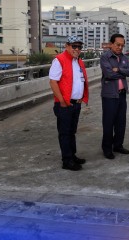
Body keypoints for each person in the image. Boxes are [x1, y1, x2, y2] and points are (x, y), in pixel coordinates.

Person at [49, 35, 89, 171]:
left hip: (75, 103)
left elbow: (79, 80)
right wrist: (62, 101)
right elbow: (53, 82)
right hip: (64, 105)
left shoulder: (78, 61)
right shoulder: (59, 60)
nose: (77, 49)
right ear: (67, 46)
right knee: (65, 133)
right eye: (74, 46)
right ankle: (67, 160)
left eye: (79, 47)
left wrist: (80, 97)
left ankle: (72, 155)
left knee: (72, 131)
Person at [100, 33, 129, 159]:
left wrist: (119, 70)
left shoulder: (124, 58)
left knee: (121, 122)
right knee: (109, 123)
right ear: (111, 44)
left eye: (122, 45)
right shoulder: (105, 57)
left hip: (122, 94)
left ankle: (118, 145)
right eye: (117, 44)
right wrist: (122, 72)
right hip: (109, 95)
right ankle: (107, 148)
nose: (120, 47)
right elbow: (109, 74)